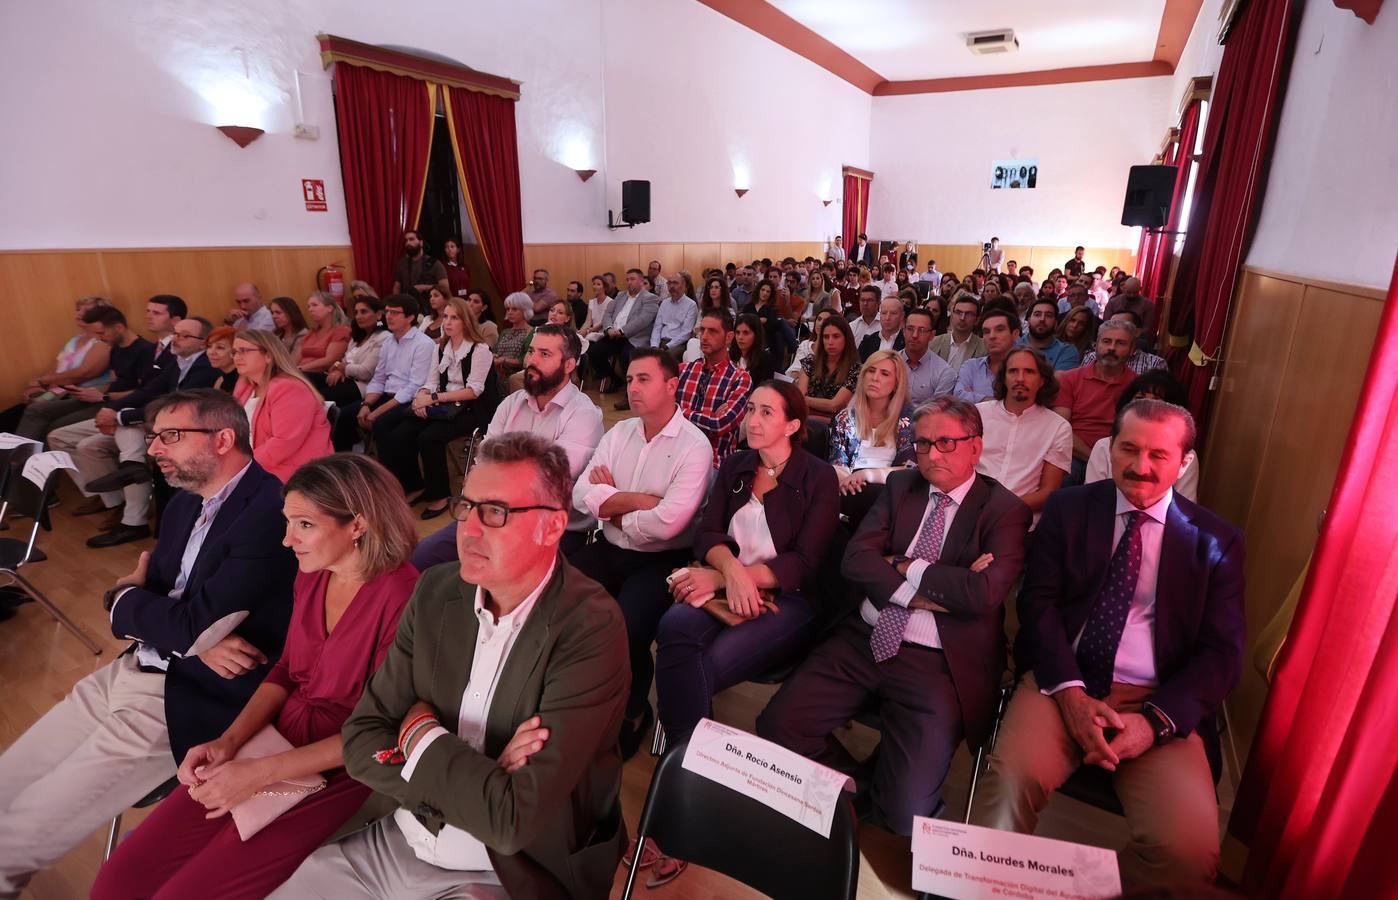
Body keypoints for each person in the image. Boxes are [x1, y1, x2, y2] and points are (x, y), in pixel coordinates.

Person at [272, 433, 629, 899]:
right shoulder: (437, 591)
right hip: (396, 835)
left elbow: (511, 821)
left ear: (552, 527)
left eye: (496, 512)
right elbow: (362, 740)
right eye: (466, 506)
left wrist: (419, 734)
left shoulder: (590, 627)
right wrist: (487, 772)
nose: (469, 529)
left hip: (504, 871)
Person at [0, 389, 297, 898]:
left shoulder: (269, 511)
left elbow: (167, 613)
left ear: (223, 439)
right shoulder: (184, 504)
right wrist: (174, 624)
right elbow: (175, 612)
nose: (155, 447)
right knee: (6, 781)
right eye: (156, 436)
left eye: (171, 436)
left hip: (186, 700)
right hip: (133, 668)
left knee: (13, 840)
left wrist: (125, 598)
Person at [91, 454, 419, 900]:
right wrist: (229, 741)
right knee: (119, 879)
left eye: (303, 524)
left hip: (343, 767)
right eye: (287, 522)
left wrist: (259, 772)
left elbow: (384, 737)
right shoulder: (315, 574)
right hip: (275, 738)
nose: (287, 540)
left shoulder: (405, 598)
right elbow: (286, 669)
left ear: (357, 524)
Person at [971, 400, 1243, 890]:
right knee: (1005, 801)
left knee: (1187, 855)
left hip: (1153, 702)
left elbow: (1221, 656)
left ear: (1184, 464)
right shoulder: (1069, 508)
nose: (1141, 467)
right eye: (1129, 449)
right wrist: (1072, 697)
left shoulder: (1215, 542)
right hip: (1061, 683)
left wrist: (1154, 722)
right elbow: (1038, 605)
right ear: (1109, 449)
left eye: (1159, 455)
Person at [759, 397, 1030, 834]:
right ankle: (864, 788)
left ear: (976, 448)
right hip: (863, 639)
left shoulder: (1005, 511)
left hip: (938, 662)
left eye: (946, 443)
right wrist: (924, 593)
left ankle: (886, 793)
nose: (931, 454)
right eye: (923, 444)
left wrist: (903, 565)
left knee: (905, 818)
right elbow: (856, 559)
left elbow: (983, 594)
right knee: (778, 728)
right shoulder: (902, 487)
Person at [656, 380, 838, 750]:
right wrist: (730, 573)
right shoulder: (737, 465)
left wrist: (726, 578)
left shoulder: (819, 477)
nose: (751, 421)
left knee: (701, 666)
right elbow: (707, 532)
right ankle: (690, 762)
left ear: (792, 426)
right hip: (724, 579)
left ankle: (682, 761)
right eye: (751, 409)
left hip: (789, 597)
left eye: (766, 413)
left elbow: (805, 563)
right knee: (673, 627)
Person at [570, 349, 712, 758]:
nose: (632, 387)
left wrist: (610, 504)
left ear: (672, 384)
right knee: (557, 599)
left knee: (628, 628)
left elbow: (669, 524)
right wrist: (638, 500)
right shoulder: (619, 433)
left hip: (662, 560)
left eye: (643, 379)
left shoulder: (694, 446)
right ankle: (579, 695)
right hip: (610, 549)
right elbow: (582, 495)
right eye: (629, 379)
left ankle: (633, 712)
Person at [412, 325, 604, 570]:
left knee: (487, 576)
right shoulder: (512, 403)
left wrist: (497, 478)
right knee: (421, 559)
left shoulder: (583, 414)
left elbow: (549, 480)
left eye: (544, 355)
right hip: (489, 512)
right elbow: (484, 461)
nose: (531, 361)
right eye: (531, 351)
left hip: (549, 527)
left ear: (569, 365)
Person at [51, 316, 218, 548]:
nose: (176, 339)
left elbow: (178, 407)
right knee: (92, 444)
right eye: (176, 333)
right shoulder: (178, 361)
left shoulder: (205, 367)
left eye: (184, 335)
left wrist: (120, 416)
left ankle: (133, 512)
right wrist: (113, 409)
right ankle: (126, 489)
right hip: (158, 424)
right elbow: (150, 390)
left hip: (185, 430)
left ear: (203, 343)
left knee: (126, 430)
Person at [377, 297, 496, 514]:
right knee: (400, 433)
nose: (447, 322)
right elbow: (431, 381)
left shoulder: (480, 350)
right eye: (446, 317)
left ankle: (440, 495)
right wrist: (421, 397)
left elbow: (474, 391)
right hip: (444, 405)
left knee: (429, 437)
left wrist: (433, 399)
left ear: (466, 321)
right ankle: (414, 485)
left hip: (473, 409)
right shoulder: (441, 347)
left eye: (454, 318)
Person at [15, 304, 157, 441]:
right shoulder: (116, 348)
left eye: (101, 333)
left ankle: (40, 462)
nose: (98, 338)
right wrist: (87, 392)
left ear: (119, 328)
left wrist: (104, 396)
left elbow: (144, 392)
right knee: (36, 410)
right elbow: (114, 381)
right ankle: (14, 459)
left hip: (117, 404)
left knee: (56, 426)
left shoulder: (145, 351)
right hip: (100, 398)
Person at [976, 348, 1072, 525]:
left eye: (1029, 372)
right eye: (1013, 371)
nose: (1020, 378)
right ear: (1004, 378)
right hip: (969, 513)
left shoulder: (1058, 428)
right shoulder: (977, 414)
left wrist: (1002, 510)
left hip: (1019, 521)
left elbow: (1048, 491)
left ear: (1042, 380)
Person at [231, 330, 334, 483]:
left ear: (268, 355)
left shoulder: (289, 388)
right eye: (234, 352)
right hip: (256, 467)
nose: (237, 357)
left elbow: (283, 443)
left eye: (244, 351)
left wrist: (240, 465)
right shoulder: (245, 386)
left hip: (295, 473)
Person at [0, 295, 112, 433]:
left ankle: (22, 453)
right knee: (8, 417)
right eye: (78, 309)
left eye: (86, 310)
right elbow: (55, 369)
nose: (79, 314)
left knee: (36, 414)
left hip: (81, 395)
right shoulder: (75, 340)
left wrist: (41, 381)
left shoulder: (103, 341)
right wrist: (37, 388)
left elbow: (82, 374)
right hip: (58, 393)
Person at [828, 350, 915, 527]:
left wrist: (867, 474)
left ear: (897, 383)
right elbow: (837, 462)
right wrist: (847, 480)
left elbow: (911, 469)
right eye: (871, 370)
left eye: (884, 374)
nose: (875, 378)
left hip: (890, 496)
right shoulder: (845, 418)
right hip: (850, 492)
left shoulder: (909, 419)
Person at [1085, 370, 1198, 501]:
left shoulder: (1184, 455)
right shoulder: (1104, 446)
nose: (1145, 406)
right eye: (1140, 398)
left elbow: (1185, 507)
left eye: (1158, 456)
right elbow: (1091, 500)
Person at [1054, 319, 1138, 484]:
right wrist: (1095, 457)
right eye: (1106, 341)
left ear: (1132, 349)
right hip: (1074, 454)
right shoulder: (1070, 379)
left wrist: (1107, 459)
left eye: (1120, 343)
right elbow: (1060, 429)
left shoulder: (1137, 385)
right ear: (1096, 345)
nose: (1111, 348)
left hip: (1117, 457)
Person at [355, 295, 437, 450]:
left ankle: (394, 472)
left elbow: (414, 386)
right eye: (387, 312)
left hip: (410, 400)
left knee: (382, 424)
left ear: (410, 317)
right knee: (347, 413)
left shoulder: (423, 344)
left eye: (395, 312)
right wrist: (366, 404)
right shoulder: (388, 342)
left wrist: (378, 411)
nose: (389, 317)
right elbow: (379, 378)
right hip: (389, 395)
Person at [675, 309, 753, 469]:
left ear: (729, 338)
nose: (704, 337)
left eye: (712, 331)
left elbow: (720, 425)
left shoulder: (740, 378)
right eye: (702, 330)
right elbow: (660, 414)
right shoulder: (683, 370)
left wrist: (678, 413)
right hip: (674, 455)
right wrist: (709, 417)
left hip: (712, 462)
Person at [319, 296, 389, 449]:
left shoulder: (383, 337)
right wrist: (339, 368)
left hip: (364, 386)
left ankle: (342, 447)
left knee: (319, 399)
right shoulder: (358, 337)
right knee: (309, 381)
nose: (358, 316)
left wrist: (342, 368)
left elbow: (365, 372)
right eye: (356, 312)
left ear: (378, 315)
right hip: (349, 379)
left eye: (364, 311)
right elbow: (343, 361)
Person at [590, 269, 659, 397]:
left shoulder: (650, 298)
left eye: (632, 279)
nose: (629, 282)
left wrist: (622, 331)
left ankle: (632, 395)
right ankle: (615, 380)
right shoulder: (620, 295)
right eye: (627, 280)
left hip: (634, 337)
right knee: (594, 351)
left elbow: (643, 320)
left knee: (626, 356)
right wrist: (609, 328)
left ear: (641, 281)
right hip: (614, 335)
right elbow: (608, 314)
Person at [797, 314, 861, 424]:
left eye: (836, 336)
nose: (830, 342)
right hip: (805, 422)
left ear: (846, 338)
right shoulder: (809, 362)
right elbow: (799, 399)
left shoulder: (855, 369)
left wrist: (806, 400)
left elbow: (834, 406)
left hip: (836, 426)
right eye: (826, 337)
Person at [954, 308, 1019, 404]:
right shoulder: (971, 366)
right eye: (986, 331)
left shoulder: (1026, 369)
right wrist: (991, 401)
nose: (992, 336)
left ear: (1015, 334)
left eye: (999, 330)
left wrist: (974, 397)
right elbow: (958, 396)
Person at [1081, 311, 1168, 374]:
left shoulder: (1154, 364)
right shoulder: (1092, 357)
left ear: (1137, 332)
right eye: (1111, 325)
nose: (1115, 329)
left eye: (1122, 325)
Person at [295, 291, 352, 374]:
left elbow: (330, 360)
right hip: (301, 372)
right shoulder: (311, 333)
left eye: (314, 305)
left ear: (329, 308)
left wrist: (301, 369)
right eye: (308, 306)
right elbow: (296, 358)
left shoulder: (341, 331)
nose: (310, 309)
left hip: (320, 375)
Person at [931, 292, 987, 374]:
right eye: (958, 312)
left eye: (968, 314)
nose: (962, 318)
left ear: (977, 319)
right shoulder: (934, 343)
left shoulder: (983, 348)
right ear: (952, 315)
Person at [1017, 298, 1081, 371]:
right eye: (1037, 314)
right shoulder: (1013, 345)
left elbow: (1060, 381)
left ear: (1055, 323)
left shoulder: (1067, 352)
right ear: (1028, 320)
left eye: (1048, 315)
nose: (1042, 319)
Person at [390, 230, 448, 302]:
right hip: (408, 306)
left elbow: (445, 288)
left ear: (421, 243)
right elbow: (397, 287)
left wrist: (424, 287)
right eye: (406, 240)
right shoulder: (402, 264)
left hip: (429, 306)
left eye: (411, 239)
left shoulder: (434, 263)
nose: (408, 243)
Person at [651, 272, 699, 356]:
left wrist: (666, 347)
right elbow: (657, 327)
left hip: (677, 343)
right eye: (669, 283)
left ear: (684, 286)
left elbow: (686, 333)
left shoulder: (691, 305)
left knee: (666, 357)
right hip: (661, 341)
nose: (672, 286)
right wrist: (654, 346)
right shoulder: (665, 303)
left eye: (675, 283)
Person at [731, 312, 776, 388]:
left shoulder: (765, 359)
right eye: (737, 332)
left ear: (756, 335)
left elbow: (763, 390)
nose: (740, 337)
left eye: (746, 333)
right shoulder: (729, 356)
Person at [1103, 277, 1156, 342]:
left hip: (1137, 339)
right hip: (1113, 335)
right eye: (1129, 292)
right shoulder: (1113, 302)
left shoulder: (1148, 304)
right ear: (1124, 288)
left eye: (1135, 292)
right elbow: (1106, 323)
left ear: (1140, 289)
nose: (1132, 295)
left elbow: (1147, 328)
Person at [858, 296, 906, 361]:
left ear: (902, 316)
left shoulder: (907, 343)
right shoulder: (868, 342)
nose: (887, 318)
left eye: (893, 313)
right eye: (884, 313)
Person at [203, 327, 241, 394]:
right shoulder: (220, 380)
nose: (211, 352)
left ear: (235, 351)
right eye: (209, 346)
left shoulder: (245, 381)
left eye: (220, 347)